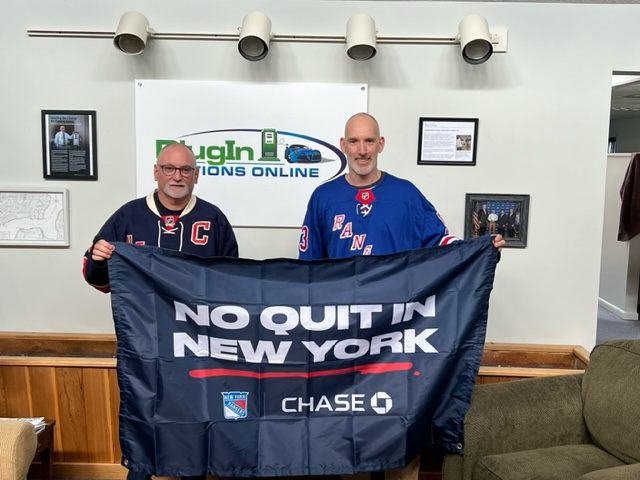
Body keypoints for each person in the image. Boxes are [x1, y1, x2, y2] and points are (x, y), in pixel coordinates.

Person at [298, 112, 504, 480]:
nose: (362, 150)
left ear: (381, 144)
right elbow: (308, 270)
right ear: (343, 145)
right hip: (345, 334)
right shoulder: (323, 197)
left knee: (400, 423)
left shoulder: (406, 194)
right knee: (351, 426)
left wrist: (481, 251)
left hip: (399, 331)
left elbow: (441, 244)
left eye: (369, 141)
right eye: (354, 142)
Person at [82, 142, 239, 480]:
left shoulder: (213, 218)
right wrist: (98, 257)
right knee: (143, 416)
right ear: (156, 172)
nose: (177, 176)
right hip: (143, 344)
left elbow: (232, 282)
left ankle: (192, 472)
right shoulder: (128, 215)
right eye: (169, 168)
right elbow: (97, 275)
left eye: (185, 170)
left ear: (196, 175)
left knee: (193, 418)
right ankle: (138, 472)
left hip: (196, 347)